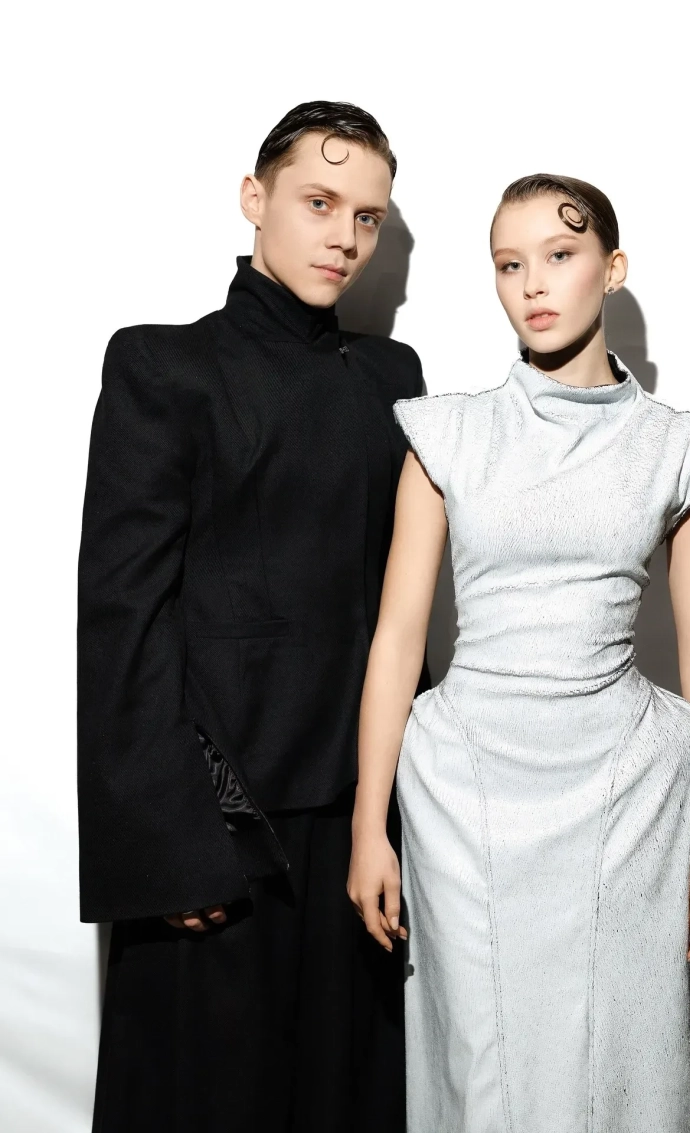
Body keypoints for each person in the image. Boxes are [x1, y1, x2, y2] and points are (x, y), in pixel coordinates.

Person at [347, 175, 690, 1132]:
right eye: (508, 264)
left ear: (612, 269)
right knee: (482, 1066)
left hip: (622, 795)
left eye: (559, 256)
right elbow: (397, 636)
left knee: (617, 1059)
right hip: (466, 787)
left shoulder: (680, 449)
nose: (532, 283)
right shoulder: (446, 434)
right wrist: (370, 826)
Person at [77, 101, 422, 1133]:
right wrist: (169, 846)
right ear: (253, 198)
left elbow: (404, 612)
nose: (344, 236)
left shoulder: (394, 380)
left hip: (358, 823)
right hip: (220, 829)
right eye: (319, 202)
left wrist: (390, 821)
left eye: (367, 217)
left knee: (344, 1100)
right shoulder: (161, 366)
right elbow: (123, 616)